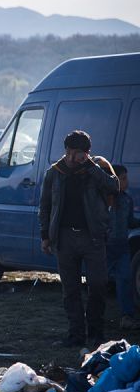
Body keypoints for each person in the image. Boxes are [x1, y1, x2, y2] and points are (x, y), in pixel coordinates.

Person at [39, 130, 119, 347]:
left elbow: (114, 186)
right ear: (66, 151)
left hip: (93, 237)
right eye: (72, 153)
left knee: (98, 285)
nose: (75, 158)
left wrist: (91, 167)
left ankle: (96, 333)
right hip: (64, 238)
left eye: (80, 153)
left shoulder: (96, 169)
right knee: (70, 289)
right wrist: (45, 236)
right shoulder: (54, 173)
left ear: (87, 152)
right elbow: (45, 206)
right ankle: (75, 335)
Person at [107, 165, 140, 330]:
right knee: (98, 283)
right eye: (123, 178)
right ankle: (93, 317)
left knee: (125, 281)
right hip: (105, 247)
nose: (127, 181)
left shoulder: (127, 199)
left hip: (122, 247)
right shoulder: (105, 199)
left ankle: (127, 316)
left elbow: (130, 221)